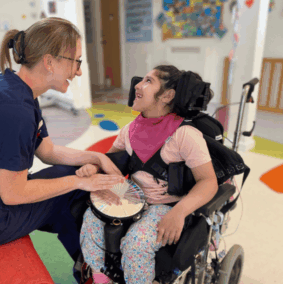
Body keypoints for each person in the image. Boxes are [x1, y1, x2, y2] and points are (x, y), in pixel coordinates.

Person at [0, 17, 125, 273]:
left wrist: (96, 158)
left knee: (73, 177)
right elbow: (13, 194)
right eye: (77, 61)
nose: (79, 71)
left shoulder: (17, 89)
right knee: (77, 187)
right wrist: (82, 181)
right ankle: (95, 267)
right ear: (50, 62)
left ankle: (84, 261)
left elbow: (48, 152)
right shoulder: (12, 109)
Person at [76, 65, 219, 284]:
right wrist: (94, 167)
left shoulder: (185, 135)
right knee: (90, 216)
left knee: (136, 243)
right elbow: (110, 159)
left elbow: (208, 182)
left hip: (165, 203)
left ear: (167, 96)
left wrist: (179, 212)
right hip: (131, 193)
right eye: (142, 79)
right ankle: (98, 275)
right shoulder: (130, 129)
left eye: (148, 81)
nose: (137, 86)